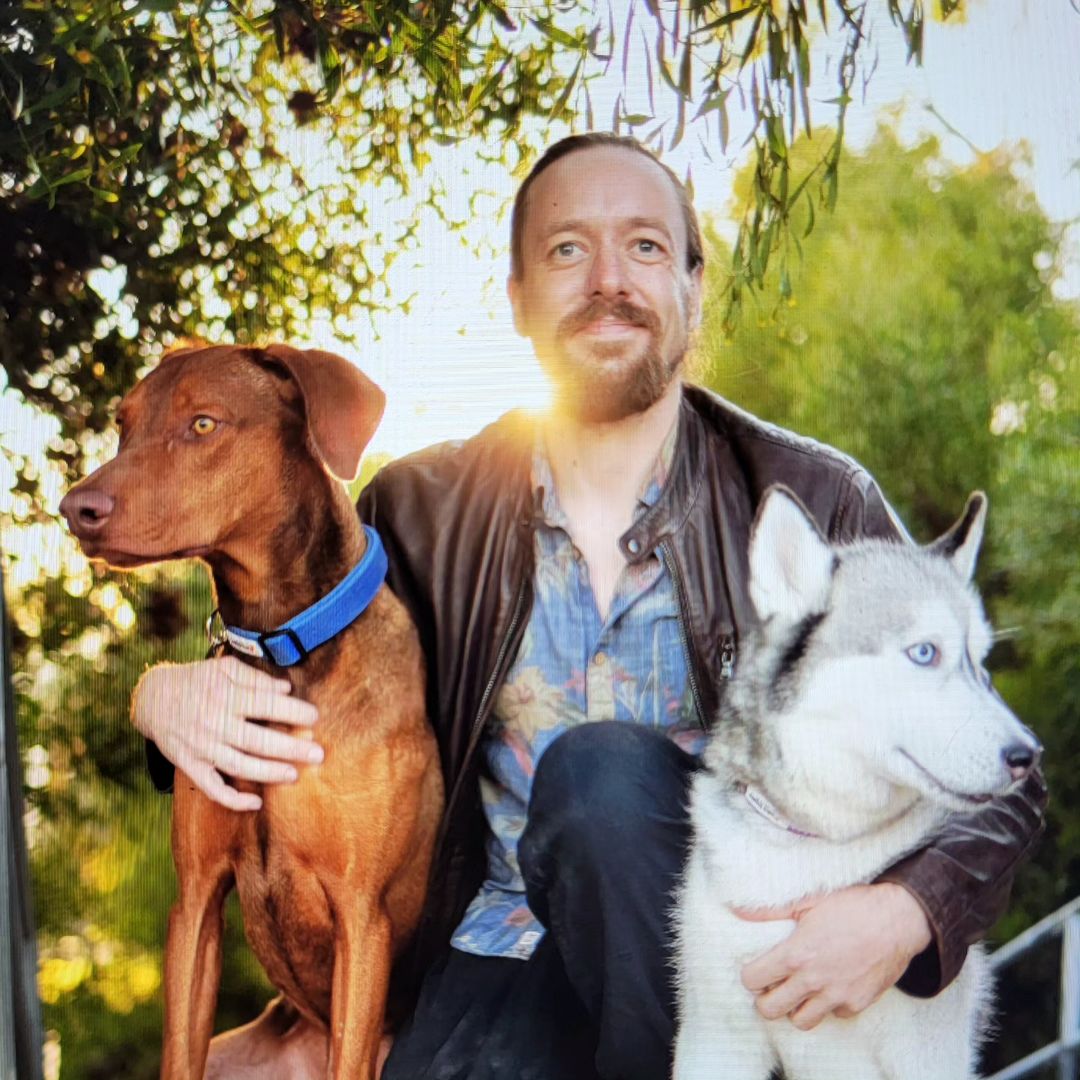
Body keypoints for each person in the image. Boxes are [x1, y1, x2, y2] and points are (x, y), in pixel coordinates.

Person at [134, 133, 1047, 1079]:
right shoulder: (410, 510)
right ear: (518, 297)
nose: (609, 279)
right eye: (568, 250)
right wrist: (162, 701)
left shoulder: (818, 503)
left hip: (737, 970)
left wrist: (907, 913)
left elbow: (998, 770)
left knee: (597, 777)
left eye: (647, 247)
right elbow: (287, 672)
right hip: (492, 955)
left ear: (695, 285)